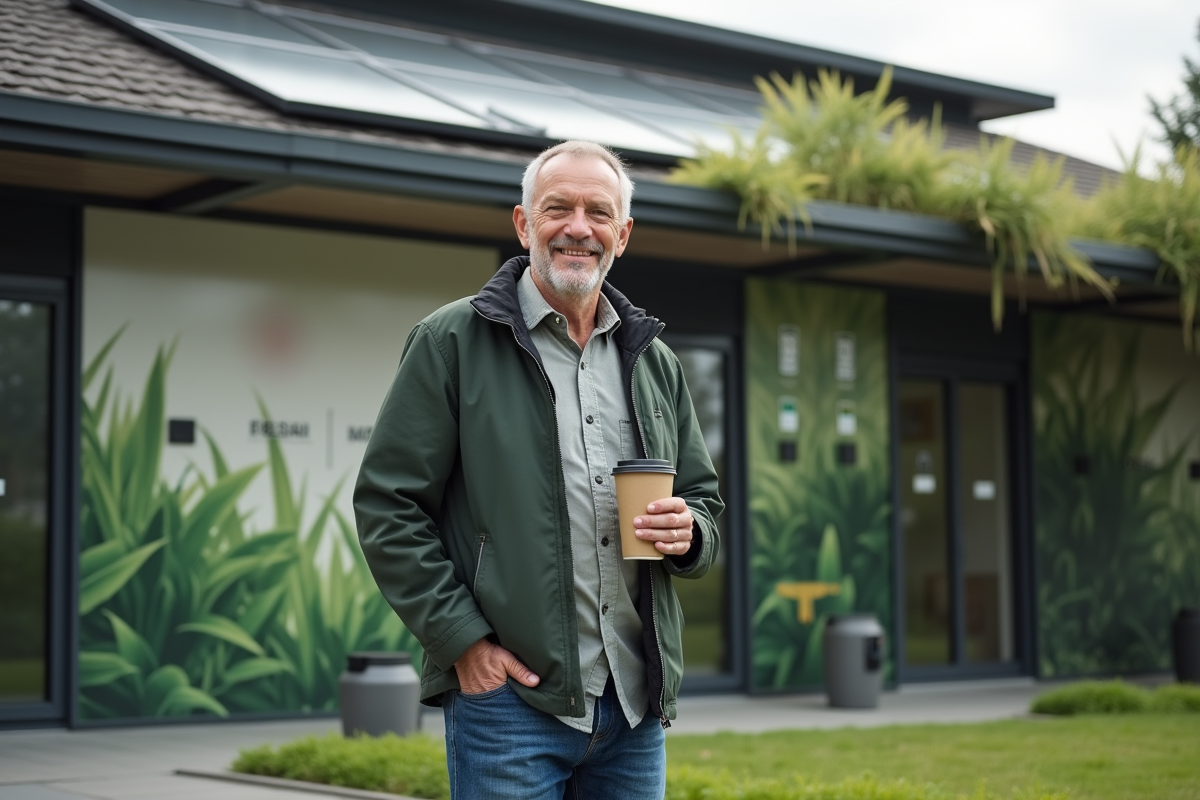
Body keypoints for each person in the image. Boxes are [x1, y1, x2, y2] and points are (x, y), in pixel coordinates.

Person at [354, 139, 723, 799]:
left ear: (623, 234)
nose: (579, 227)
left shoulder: (653, 361)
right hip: (509, 703)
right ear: (524, 224)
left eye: (598, 212)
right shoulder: (451, 342)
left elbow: (702, 500)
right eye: (559, 208)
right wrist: (462, 642)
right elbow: (389, 505)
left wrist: (689, 532)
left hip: (633, 705)